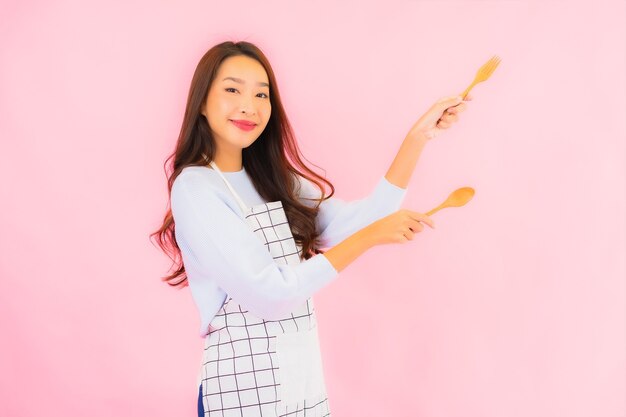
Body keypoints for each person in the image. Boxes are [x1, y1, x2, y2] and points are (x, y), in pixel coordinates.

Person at [150, 40, 471, 417]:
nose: (249, 106)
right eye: (232, 89)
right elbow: (270, 295)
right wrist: (371, 238)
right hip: (240, 395)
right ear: (202, 102)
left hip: (300, 389)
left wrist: (418, 137)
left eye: (261, 94)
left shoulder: (273, 179)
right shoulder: (197, 188)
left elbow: (363, 221)